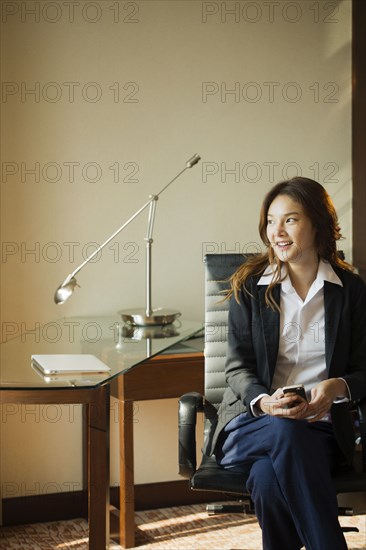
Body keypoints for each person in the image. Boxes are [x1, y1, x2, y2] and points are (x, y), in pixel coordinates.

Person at [206, 177, 366, 550]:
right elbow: (236, 367)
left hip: (321, 430)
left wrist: (337, 386)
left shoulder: (350, 290)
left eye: (290, 220)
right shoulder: (249, 286)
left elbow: (363, 368)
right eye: (271, 220)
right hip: (254, 424)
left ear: (318, 226)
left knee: (266, 479)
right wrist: (264, 402)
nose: (276, 231)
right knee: (284, 430)